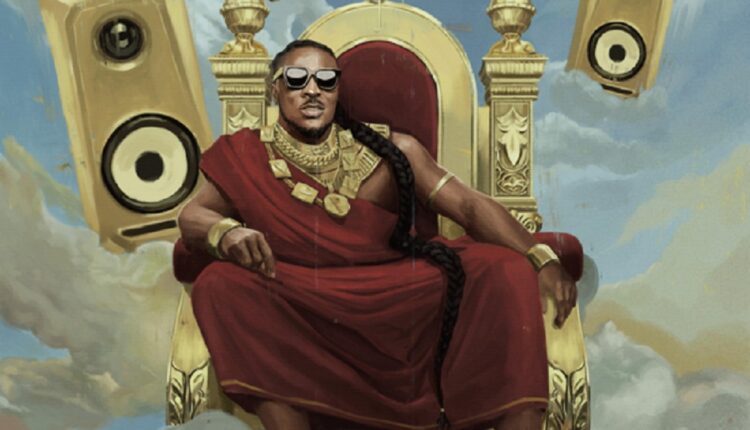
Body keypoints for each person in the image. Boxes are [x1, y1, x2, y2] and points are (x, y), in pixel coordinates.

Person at [176, 39, 577, 430]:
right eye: (297, 78)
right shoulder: (246, 152)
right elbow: (194, 214)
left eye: (326, 80)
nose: (312, 90)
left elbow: (467, 205)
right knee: (219, 283)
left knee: (503, 268)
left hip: (395, 286)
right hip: (297, 290)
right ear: (274, 89)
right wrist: (225, 233)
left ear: (338, 90)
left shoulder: (390, 149)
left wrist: (540, 258)